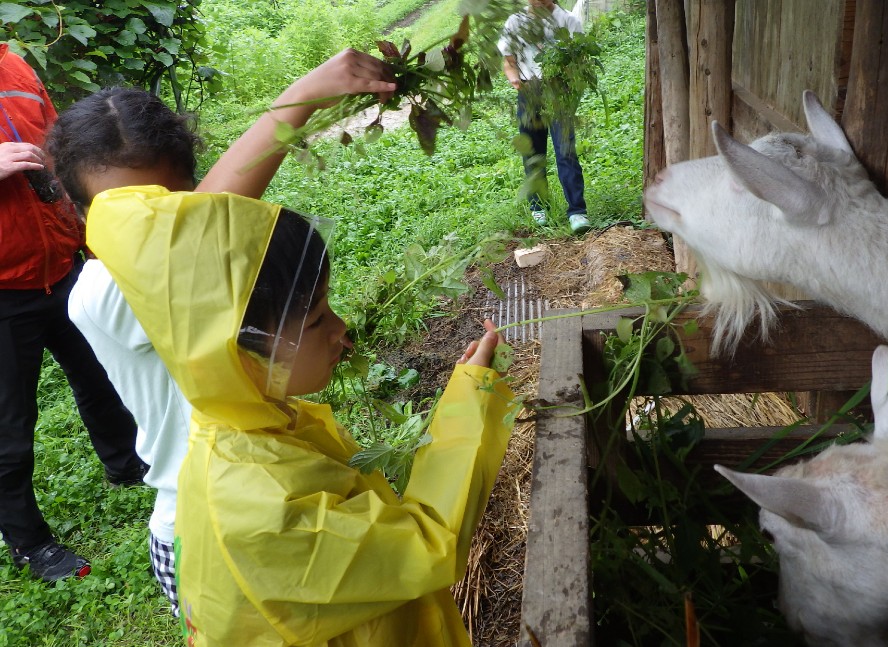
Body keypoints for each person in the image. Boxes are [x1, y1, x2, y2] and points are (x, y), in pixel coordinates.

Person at [47, 48, 397, 614]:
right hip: (205, 526)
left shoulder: (226, 256)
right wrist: (300, 97)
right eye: (131, 217)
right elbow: (210, 216)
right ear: (83, 211)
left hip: (279, 494)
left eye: (168, 209)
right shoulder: (100, 295)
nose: (158, 234)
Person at [86, 186, 517, 646]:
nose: (340, 329)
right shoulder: (260, 504)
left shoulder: (255, 424)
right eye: (315, 320)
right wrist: (472, 394)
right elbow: (427, 543)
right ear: (235, 350)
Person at [0, 43, 146, 582]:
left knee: (99, 374)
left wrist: (87, 233)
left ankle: (125, 463)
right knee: (9, 425)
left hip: (60, 262)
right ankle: (29, 543)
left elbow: (59, 150)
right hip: (3, 288)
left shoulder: (12, 63)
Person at [498, 0, 592, 234]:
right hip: (529, 93)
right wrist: (514, 77)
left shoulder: (569, 21)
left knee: (566, 152)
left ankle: (577, 211)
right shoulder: (515, 22)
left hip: (560, 94)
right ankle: (538, 207)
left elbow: (578, 61)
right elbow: (508, 61)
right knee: (534, 153)